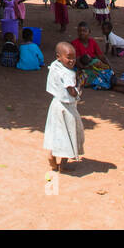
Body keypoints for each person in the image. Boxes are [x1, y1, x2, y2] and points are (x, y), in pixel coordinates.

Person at [43, 42, 84, 172]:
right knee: (71, 133)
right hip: (68, 109)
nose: (72, 61)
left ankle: (52, 157)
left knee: (55, 133)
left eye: (74, 58)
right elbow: (72, 92)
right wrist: (80, 85)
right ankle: (63, 165)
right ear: (58, 57)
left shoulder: (55, 66)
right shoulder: (68, 74)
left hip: (55, 105)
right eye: (69, 57)